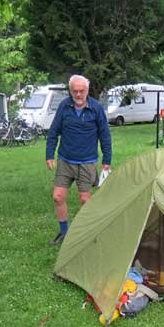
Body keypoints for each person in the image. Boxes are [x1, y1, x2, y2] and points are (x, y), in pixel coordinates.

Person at [46, 74, 112, 245]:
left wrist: (107, 160)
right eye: (74, 91)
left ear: (87, 91)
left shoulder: (96, 108)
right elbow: (53, 131)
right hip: (65, 160)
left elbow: (105, 135)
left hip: (87, 161)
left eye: (81, 91)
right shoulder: (64, 106)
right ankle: (64, 232)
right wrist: (49, 154)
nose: (78, 94)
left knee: (85, 200)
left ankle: (83, 233)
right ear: (70, 91)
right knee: (58, 197)